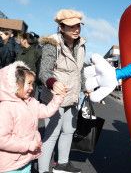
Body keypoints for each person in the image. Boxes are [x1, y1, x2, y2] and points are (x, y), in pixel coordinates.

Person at [37, 9, 86, 173]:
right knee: (52, 134)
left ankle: (63, 164)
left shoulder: (81, 44)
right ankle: (43, 169)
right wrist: (53, 83)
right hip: (55, 97)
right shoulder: (52, 44)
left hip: (72, 97)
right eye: (72, 26)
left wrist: (86, 88)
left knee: (68, 131)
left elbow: (80, 71)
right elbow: (44, 71)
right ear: (61, 27)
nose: (77, 29)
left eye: (78, 25)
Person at [0, 61, 64, 173]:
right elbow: (2, 139)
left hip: (26, 159)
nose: (31, 87)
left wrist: (58, 97)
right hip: (9, 165)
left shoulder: (32, 102)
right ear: (14, 84)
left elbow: (46, 111)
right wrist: (29, 145)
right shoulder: (6, 108)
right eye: (28, 83)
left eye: (32, 83)